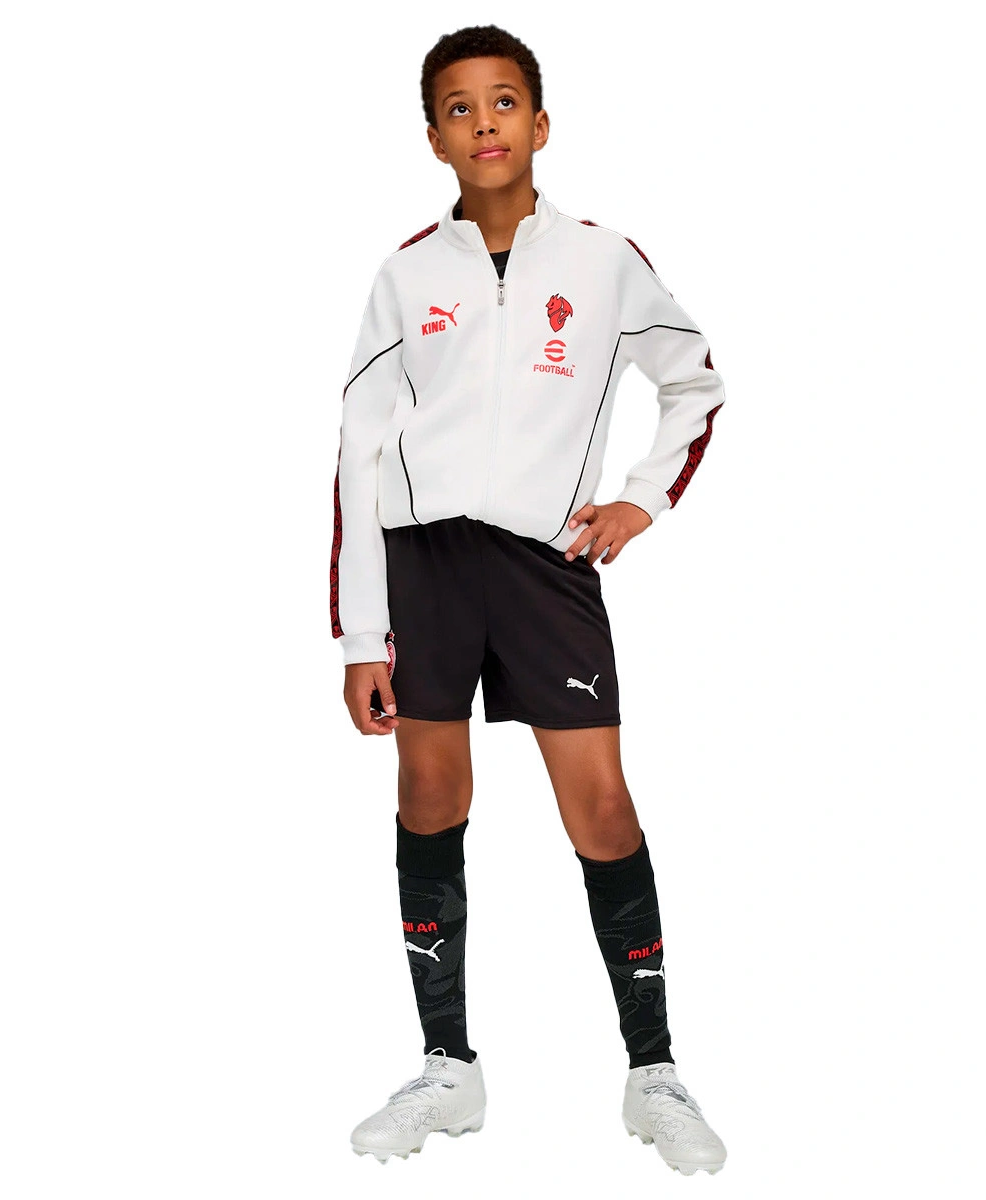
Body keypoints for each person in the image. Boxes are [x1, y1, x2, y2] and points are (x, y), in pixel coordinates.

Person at [333, 25, 727, 1176]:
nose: (485, 122)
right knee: (429, 796)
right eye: (459, 108)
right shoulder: (406, 276)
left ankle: (654, 1072)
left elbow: (696, 382)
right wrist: (360, 635)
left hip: (545, 569)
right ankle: (446, 1066)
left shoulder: (604, 263)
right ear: (435, 139)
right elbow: (357, 454)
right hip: (423, 568)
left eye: (504, 101)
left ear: (541, 123)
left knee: (601, 807)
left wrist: (640, 499)